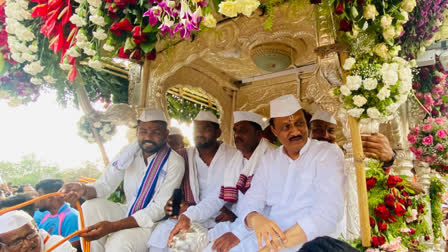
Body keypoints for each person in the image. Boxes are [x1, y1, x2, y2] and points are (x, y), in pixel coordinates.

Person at [60, 109, 185, 252]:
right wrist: (82, 189)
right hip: (128, 211)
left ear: (165, 135)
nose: (148, 137)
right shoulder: (128, 152)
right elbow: (104, 185)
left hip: (153, 223)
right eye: (143, 131)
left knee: (119, 242)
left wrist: (113, 227)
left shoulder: (175, 162)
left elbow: (158, 209)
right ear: (138, 132)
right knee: (90, 206)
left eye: (155, 132)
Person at [237, 94, 346, 251]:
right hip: (269, 241)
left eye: (299, 124)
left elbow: (327, 214)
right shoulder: (269, 160)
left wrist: (278, 245)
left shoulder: (327, 153)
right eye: (286, 127)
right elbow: (250, 201)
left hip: (315, 244)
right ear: (274, 131)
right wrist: (254, 218)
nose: (295, 131)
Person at [147, 110, 237, 251]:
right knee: (160, 240)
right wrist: (170, 205)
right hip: (189, 214)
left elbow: (243, 195)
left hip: (221, 219)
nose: (199, 133)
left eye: (205, 129)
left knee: (183, 245)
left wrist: (234, 213)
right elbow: (166, 188)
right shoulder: (183, 156)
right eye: (196, 129)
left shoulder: (234, 156)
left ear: (218, 132)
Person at [206, 111, 277, 252]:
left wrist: (238, 232)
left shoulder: (273, 157)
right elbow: (217, 197)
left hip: (263, 226)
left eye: (243, 130)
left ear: (258, 134)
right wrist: (189, 215)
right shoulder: (237, 160)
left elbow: (265, 209)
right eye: (235, 130)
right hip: (240, 222)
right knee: (196, 240)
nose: (237, 135)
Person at [309, 107, 396, 165]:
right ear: (308, 132)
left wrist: (389, 160)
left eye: (331, 131)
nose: (325, 135)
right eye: (318, 130)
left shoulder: (344, 154)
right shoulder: (299, 156)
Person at [34, 179, 80, 249]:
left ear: (51, 196)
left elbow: (71, 248)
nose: (35, 199)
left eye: (39, 195)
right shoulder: (45, 216)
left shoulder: (71, 217)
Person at [0, 210, 76, 252]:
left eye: (30, 235)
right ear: (3, 247)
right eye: (17, 242)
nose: (27, 244)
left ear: (36, 228)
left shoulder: (58, 246)